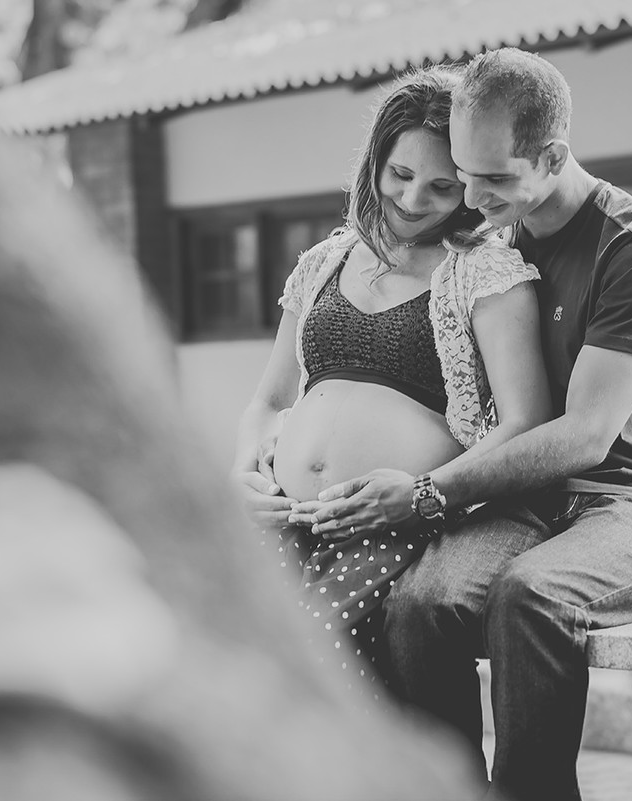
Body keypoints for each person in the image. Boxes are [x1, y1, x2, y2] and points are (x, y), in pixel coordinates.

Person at [299, 49, 632, 800]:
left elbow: (585, 435)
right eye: (464, 173)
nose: (469, 194)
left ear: (552, 156)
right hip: (537, 497)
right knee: (421, 605)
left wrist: (430, 492)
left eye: (491, 179)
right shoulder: (503, 238)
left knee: (531, 596)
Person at [231, 65, 551, 701]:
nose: (411, 200)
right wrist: (242, 475)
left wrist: (424, 493)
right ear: (373, 160)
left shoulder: (486, 273)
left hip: (393, 528)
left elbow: (526, 423)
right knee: (231, 655)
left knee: (308, 671)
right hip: (287, 523)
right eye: (400, 175)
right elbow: (269, 401)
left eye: (440, 186)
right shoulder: (324, 263)